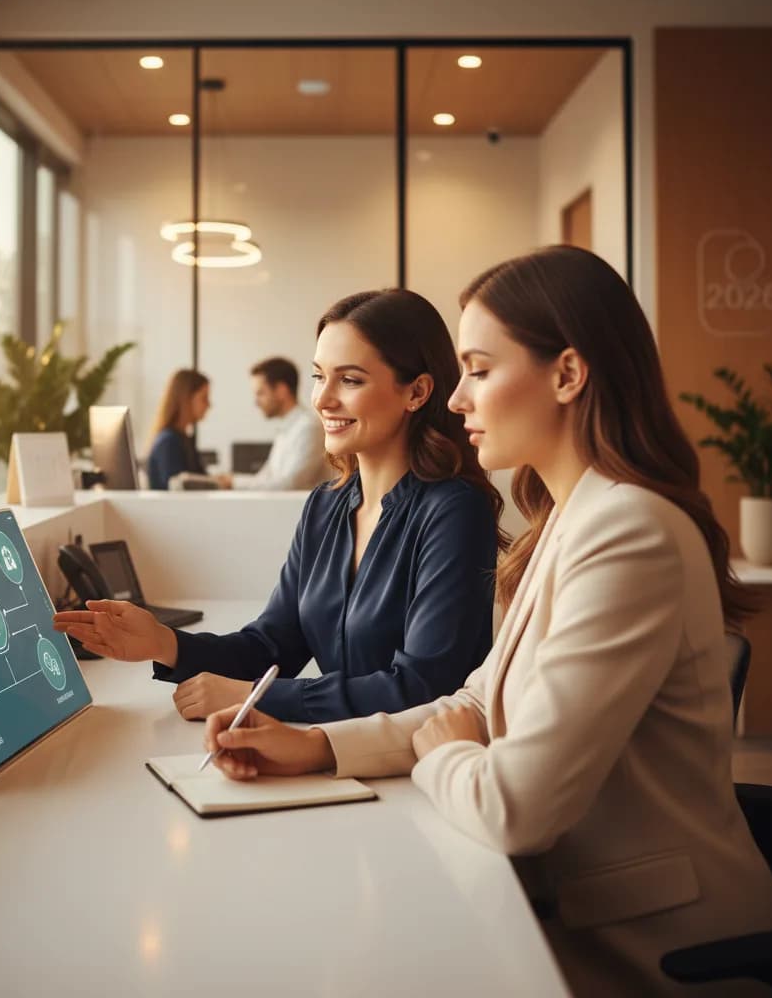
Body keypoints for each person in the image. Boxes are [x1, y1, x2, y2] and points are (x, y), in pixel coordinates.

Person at [199, 247, 772, 995]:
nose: (456, 398)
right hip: (563, 918)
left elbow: (515, 809)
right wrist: (312, 747)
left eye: (477, 369)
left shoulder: (629, 532)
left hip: (648, 955)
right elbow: (475, 703)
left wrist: (446, 757)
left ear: (568, 375)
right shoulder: (567, 519)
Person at [55, 288, 504, 724]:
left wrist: (257, 697)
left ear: (417, 392)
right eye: (318, 376)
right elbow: (271, 645)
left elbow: (422, 687)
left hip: (417, 770)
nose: (323, 399)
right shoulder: (326, 508)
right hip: (332, 758)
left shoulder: (455, 511)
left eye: (349, 380)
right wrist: (164, 642)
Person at [215, 356, 329, 491]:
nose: (256, 402)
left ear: (281, 390)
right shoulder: (287, 428)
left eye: (260, 393)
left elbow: (290, 484)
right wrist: (231, 479)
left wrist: (233, 482)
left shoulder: (309, 427)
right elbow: (266, 477)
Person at [147, 369, 210, 490]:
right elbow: (178, 488)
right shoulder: (168, 442)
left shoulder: (184, 439)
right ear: (186, 399)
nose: (209, 405)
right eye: (204, 398)